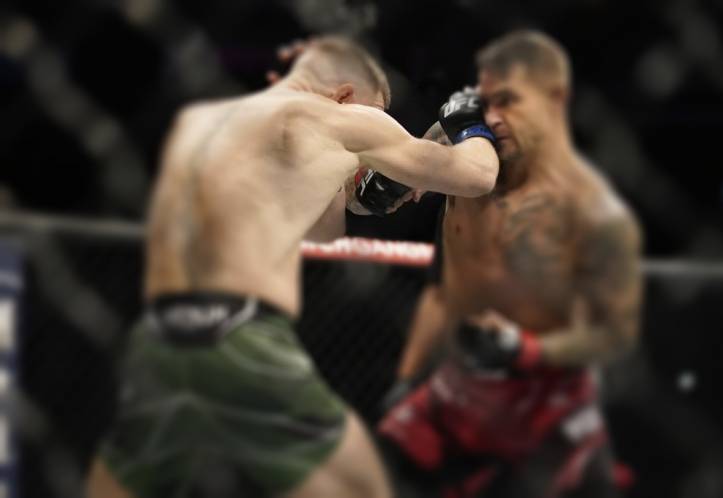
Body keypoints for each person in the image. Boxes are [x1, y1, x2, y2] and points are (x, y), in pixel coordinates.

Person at [85, 36, 500, 498]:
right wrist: (469, 123)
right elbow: (478, 176)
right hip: (237, 333)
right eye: (377, 112)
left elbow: (321, 232)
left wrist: (358, 186)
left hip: (161, 335)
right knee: (365, 489)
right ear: (345, 95)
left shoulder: (201, 122)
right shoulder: (337, 118)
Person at [378, 30, 642, 498]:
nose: (495, 118)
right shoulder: (469, 178)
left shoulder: (595, 214)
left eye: (510, 103)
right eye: (487, 103)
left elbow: (615, 332)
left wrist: (526, 351)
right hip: (458, 397)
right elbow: (441, 290)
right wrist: (407, 379)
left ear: (553, 101)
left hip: (547, 416)